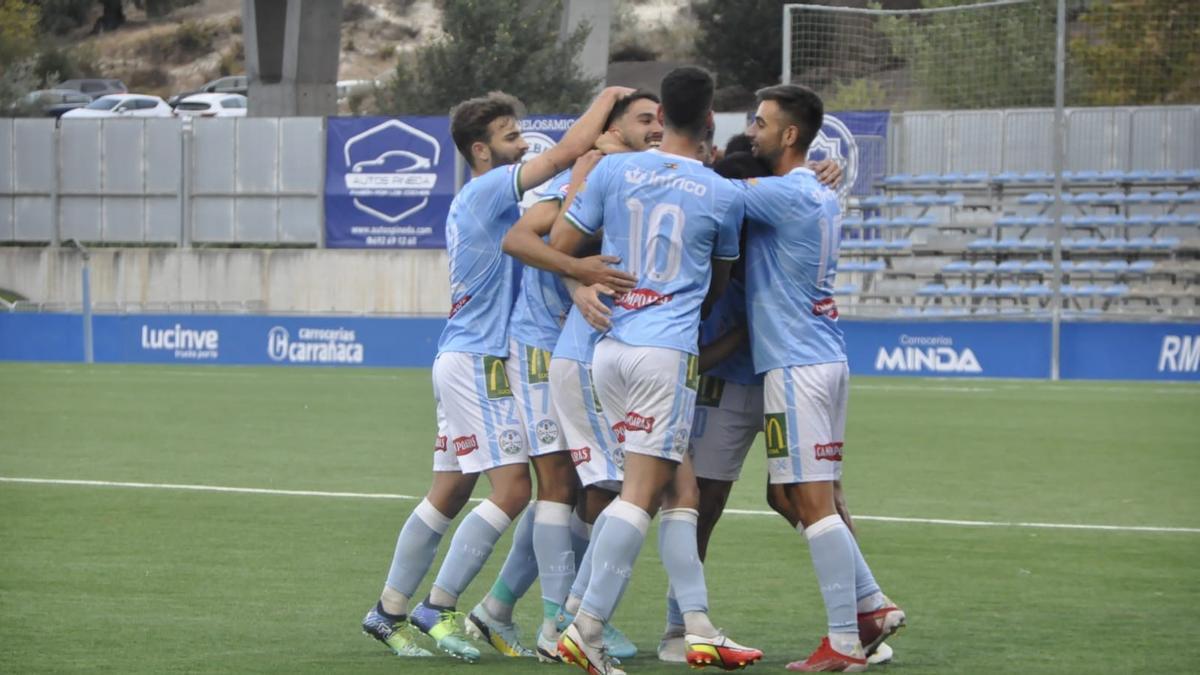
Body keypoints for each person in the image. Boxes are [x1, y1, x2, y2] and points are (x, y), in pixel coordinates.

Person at [359, 85, 633, 663]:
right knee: (513, 490)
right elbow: (564, 155)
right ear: (480, 150)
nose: (522, 146)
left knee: (449, 491)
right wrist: (607, 99)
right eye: (511, 137)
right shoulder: (486, 191)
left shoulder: (493, 202)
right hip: (480, 359)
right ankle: (439, 608)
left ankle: (388, 611)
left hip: (463, 354)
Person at [551, 66, 761, 675]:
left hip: (609, 346)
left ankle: (695, 626)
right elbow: (720, 279)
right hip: (665, 351)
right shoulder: (721, 191)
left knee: (679, 490)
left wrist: (584, 278)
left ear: (661, 116)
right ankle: (583, 627)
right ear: (710, 118)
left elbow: (562, 242)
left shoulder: (613, 170)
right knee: (641, 494)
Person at [467, 90, 663, 662]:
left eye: (659, 119)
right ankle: (557, 623)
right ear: (612, 128)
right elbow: (522, 239)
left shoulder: (632, 177)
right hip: (540, 345)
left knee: (585, 486)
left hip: (586, 350)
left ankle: (498, 608)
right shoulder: (585, 171)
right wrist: (577, 273)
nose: (655, 129)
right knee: (558, 485)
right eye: (643, 120)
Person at [741, 83, 906, 672]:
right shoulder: (817, 188)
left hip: (796, 365)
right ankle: (869, 606)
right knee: (790, 494)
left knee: (811, 501)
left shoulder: (786, 192)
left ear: (789, 134)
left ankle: (844, 642)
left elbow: (706, 192)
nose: (750, 132)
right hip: (821, 355)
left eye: (760, 123)